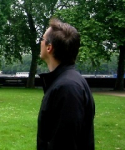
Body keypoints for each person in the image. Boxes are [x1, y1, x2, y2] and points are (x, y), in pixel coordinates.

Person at [37, 18, 95, 150]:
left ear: (49, 47)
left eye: (42, 38)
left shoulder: (67, 87)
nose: (40, 42)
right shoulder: (67, 82)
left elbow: (65, 143)